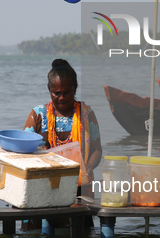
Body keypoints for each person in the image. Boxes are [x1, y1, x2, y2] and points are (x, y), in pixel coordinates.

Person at [24, 58, 102, 198]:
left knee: (79, 217)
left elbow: (97, 149)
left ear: (75, 89)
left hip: (80, 185)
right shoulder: (38, 115)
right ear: (50, 91)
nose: (61, 98)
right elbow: (23, 148)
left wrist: (89, 166)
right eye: (56, 93)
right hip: (44, 184)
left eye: (67, 93)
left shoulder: (86, 114)